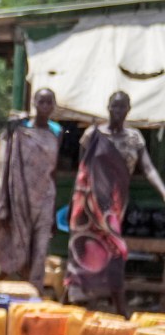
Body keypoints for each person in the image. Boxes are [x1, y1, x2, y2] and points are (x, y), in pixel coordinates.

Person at [66, 90, 165, 313]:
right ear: (108, 107)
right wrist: (73, 205)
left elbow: (148, 168)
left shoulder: (134, 138)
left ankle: (115, 307)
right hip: (88, 207)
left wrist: (163, 191)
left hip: (113, 208)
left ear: (128, 110)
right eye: (114, 106)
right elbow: (82, 172)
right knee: (84, 253)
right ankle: (85, 305)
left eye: (122, 107)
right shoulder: (92, 135)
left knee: (114, 253)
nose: (118, 111)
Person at [0, 87, 62, 286]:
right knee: (18, 248)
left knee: (40, 250)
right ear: (34, 103)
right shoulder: (21, 129)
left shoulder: (57, 132)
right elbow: (9, 161)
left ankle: (35, 292)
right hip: (21, 197)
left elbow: (53, 169)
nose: (45, 106)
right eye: (41, 102)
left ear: (54, 106)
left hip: (45, 198)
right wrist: (4, 202)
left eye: (49, 102)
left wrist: (54, 207)